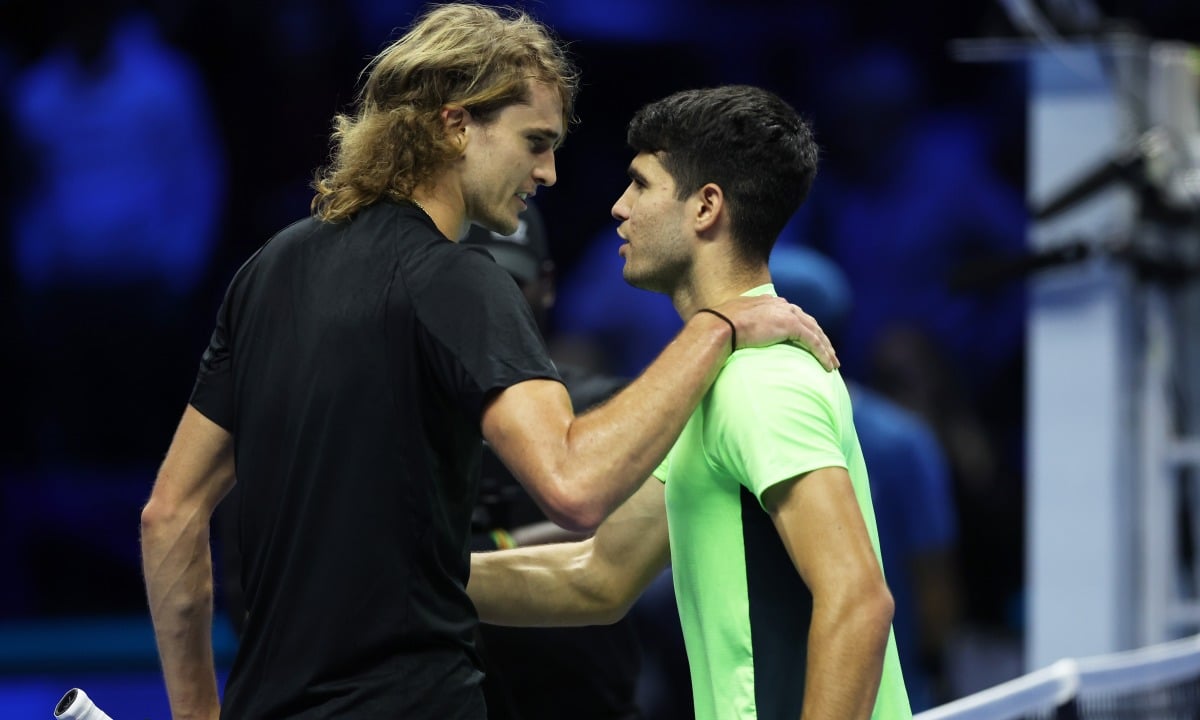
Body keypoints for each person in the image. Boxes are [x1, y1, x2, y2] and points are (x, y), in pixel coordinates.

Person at [138, 5, 836, 719]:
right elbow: (574, 487)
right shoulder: (460, 278)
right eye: (535, 142)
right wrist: (717, 326)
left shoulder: (268, 269)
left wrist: (196, 713)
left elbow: (169, 515)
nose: (550, 172)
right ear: (455, 124)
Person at [469, 85, 910, 720]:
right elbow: (599, 577)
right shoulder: (715, 375)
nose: (619, 209)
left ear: (706, 208)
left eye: (641, 186)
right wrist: (415, 583)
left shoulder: (761, 381)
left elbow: (859, 600)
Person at [460, 204, 644, 720]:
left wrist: (479, 548)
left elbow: (631, 536)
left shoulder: (610, 408)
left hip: (585, 703)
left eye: (508, 282)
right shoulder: (400, 413)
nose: (492, 301)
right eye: (472, 280)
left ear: (545, 284)